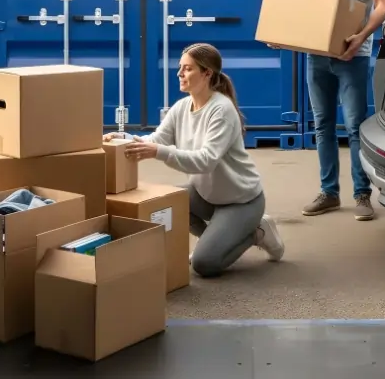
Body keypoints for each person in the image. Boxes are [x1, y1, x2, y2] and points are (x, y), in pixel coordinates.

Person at [104, 43, 285, 278]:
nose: (179, 73)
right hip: (205, 194)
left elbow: (206, 160)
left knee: (204, 264)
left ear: (207, 73)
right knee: (164, 204)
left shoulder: (221, 110)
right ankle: (220, 237)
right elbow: (156, 139)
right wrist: (124, 138)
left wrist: (158, 151)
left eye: (187, 69)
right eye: (180, 68)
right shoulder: (181, 107)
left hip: (242, 201)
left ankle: (257, 231)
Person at [296, 0, 385, 221]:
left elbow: (382, 4)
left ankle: (363, 195)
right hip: (318, 54)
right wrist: (284, 32)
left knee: (353, 126)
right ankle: (329, 193)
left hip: (354, 53)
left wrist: (362, 37)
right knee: (322, 125)